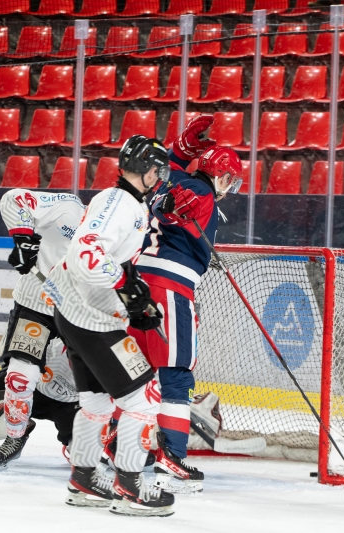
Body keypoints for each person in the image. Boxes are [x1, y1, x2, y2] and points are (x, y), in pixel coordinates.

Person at [42, 136, 175, 517]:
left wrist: (134, 297)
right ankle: (130, 485)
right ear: (150, 171)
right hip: (92, 320)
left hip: (78, 313)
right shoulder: (120, 204)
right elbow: (85, 255)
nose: (159, 177)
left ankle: (83, 478)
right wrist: (124, 284)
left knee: (97, 402)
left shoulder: (117, 200)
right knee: (143, 398)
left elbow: (108, 258)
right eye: (158, 171)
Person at [130, 115, 243, 494]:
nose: (230, 187)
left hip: (136, 283)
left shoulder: (174, 178)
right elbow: (190, 196)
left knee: (135, 372)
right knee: (176, 373)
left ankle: (123, 447)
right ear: (219, 175)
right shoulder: (202, 191)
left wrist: (182, 147)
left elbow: (171, 169)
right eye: (229, 177)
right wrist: (192, 194)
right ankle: (172, 458)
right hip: (170, 288)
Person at [0, 188, 86, 470]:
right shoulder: (68, 207)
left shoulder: (114, 235)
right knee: (19, 376)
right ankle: (14, 437)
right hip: (36, 303)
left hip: (77, 313)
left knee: (85, 385)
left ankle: (90, 440)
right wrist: (22, 238)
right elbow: (13, 198)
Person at [0, 338, 79, 471]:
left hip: (71, 405)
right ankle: (16, 435)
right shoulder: (53, 320)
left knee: (83, 455)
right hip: (35, 390)